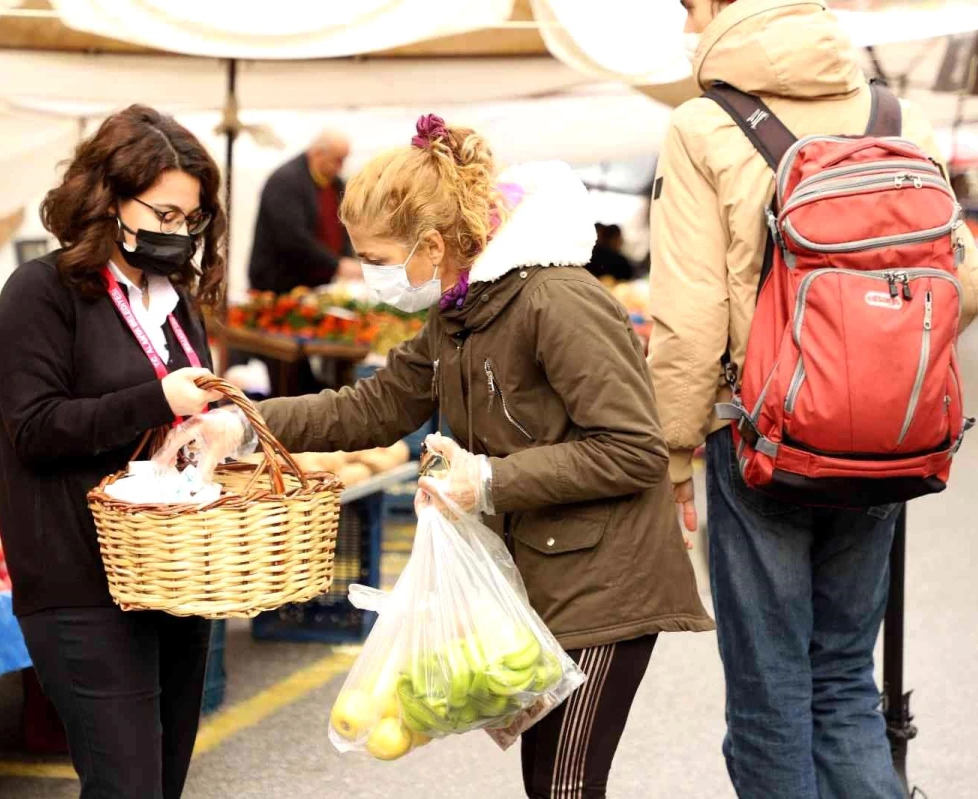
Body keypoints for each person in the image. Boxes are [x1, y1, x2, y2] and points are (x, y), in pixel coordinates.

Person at [199, 114, 714, 797]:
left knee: (565, 785)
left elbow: (633, 450)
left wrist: (489, 478)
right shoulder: (460, 310)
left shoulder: (557, 301)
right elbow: (375, 405)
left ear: (433, 242)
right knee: (550, 783)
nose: (374, 277)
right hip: (543, 574)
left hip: (609, 580)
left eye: (379, 260)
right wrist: (247, 424)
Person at [648, 2, 978, 797]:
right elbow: (965, 285)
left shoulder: (703, 125)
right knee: (843, 679)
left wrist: (672, 449)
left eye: (688, 6)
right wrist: (877, 370)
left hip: (763, 439)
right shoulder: (896, 116)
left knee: (770, 692)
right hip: (889, 442)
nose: (684, 23)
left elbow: (691, 319)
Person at [0, 105, 224, 799]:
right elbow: (33, 427)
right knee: (126, 786)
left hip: (171, 578)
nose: (177, 232)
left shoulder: (176, 303)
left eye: (190, 219)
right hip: (77, 584)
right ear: (107, 198)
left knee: (162, 782)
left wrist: (209, 432)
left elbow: (183, 419)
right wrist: (158, 399)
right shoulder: (41, 292)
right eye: (164, 213)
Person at [248, 130, 362, 295]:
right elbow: (292, 237)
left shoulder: (336, 185)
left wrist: (344, 260)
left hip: (318, 283)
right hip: (279, 284)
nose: (341, 166)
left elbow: (343, 228)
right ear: (316, 153)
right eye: (337, 160)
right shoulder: (286, 181)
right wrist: (337, 264)